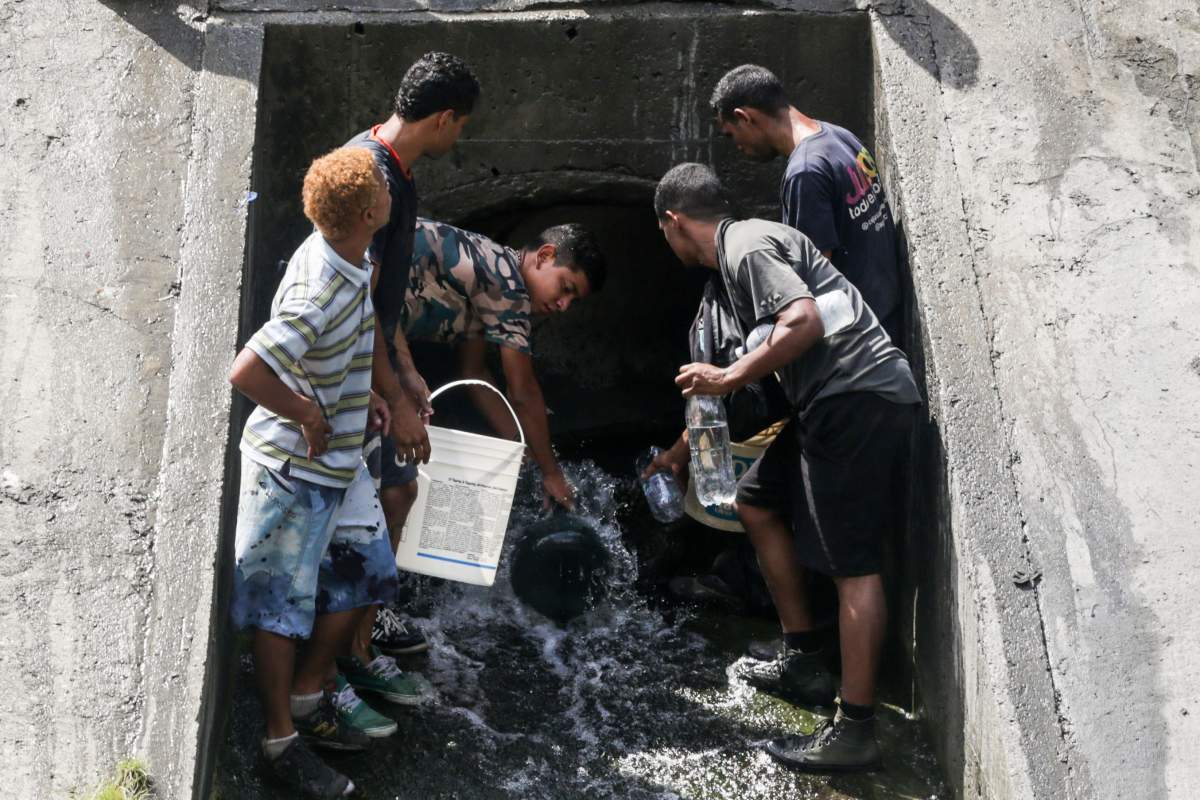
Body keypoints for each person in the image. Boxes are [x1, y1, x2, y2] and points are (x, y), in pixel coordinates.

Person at [648, 163, 921, 771]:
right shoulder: (740, 257)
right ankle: (803, 660)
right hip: (829, 401)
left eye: (663, 233)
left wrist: (727, 376)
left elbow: (804, 321)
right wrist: (682, 446)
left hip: (857, 397)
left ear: (674, 221)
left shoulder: (744, 247)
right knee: (758, 500)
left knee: (853, 567)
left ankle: (856, 728)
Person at [228, 147, 396, 798]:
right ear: (364, 212)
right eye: (380, 184)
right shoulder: (318, 285)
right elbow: (247, 371)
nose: (388, 185)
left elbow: (350, 337)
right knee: (278, 608)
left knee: (367, 570)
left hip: (336, 459)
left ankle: (309, 691)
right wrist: (306, 412)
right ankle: (280, 741)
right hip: (290, 469)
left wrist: (369, 393)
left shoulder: (351, 255)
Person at [344, 52, 480, 657]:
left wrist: (407, 367)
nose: (462, 135)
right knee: (372, 508)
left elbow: (385, 299)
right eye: (463, 124)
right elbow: (358, 306)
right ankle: (345, 654)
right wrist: (394, 400)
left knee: (398, 495)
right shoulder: (372, 179)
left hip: (373, 359)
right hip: (346, 373)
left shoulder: (394, 165)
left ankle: (364, 633)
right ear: (445, 118)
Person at [397, 217, 606, 500]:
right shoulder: (508, 288)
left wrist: (525, 455)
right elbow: (523, 392)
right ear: (544, 256)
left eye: (573, 301)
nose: (563, 305)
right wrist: (552, 474)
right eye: (566, 288)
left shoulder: (493, 269)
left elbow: (474, 373)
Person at [710, 64, 904, 344]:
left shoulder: (805, 173)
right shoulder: (838, 135)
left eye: (731, 134)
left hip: (860, 341)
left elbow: (817, 278)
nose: (737, 146)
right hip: (887, 319)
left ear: (745, 117)